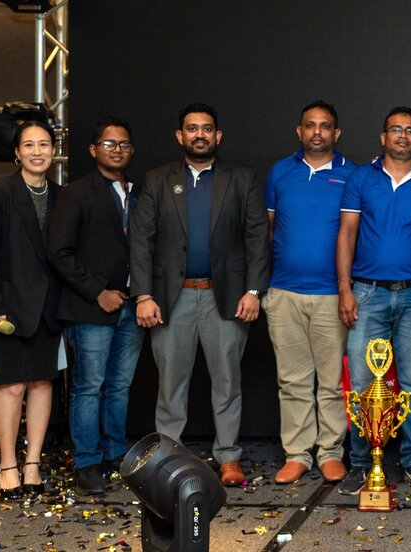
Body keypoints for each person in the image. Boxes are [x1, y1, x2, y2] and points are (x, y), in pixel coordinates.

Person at [129, 103, 269, 487]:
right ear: (180, 136)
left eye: (207, 128)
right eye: (192, 129)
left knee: (227, 382)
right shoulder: (158, 180)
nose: (200, 135)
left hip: (226, 298)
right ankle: (167, 460)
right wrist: (143, 295)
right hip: (170, 299)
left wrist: (254, 290)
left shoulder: (241, 178)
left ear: (217, 135)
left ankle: (228, 457)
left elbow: (258, 237)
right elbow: (141, 240)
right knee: (170, 385)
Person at [336, 106, 411, 495]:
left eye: (410, 131)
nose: (403, 136)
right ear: (383, 137)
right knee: (363, 383)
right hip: (367, 293)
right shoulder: (360, 178)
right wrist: (344, 288)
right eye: (396, 129)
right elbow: (347, 234)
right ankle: (360, 463)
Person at [48, 116, 145, 495]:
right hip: (90, 308)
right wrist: (97, 291)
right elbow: (59, 252)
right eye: (108, 144)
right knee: (89, 387)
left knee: (119, 386)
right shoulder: (76, 193)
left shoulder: (139, 193)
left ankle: (115, 454)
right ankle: (86, 462)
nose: (117, 150)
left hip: (132, 308)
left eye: (123, 144)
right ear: (93, 150)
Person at [264, 101, 354, 484]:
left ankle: (330, 452)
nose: (317, 132)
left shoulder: (353, 175)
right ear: (299, 131)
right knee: (293, 380)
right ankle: (297, 454)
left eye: (325, 125)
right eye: (310, 125)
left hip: (332, 294)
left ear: (337, 133)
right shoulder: (280, 172)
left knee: (332, 381)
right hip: (284, 292)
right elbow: (269, 230)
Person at [0, 120, 62, 500]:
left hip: (50, 308)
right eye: (29, 145)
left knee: (43, 383)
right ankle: (7, 464)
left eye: (44, 144)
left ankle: (32, 463)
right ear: (17, 153)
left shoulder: (63, 196)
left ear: (54, 151)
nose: (37, 152)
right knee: (13, 385)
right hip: (9, 309)